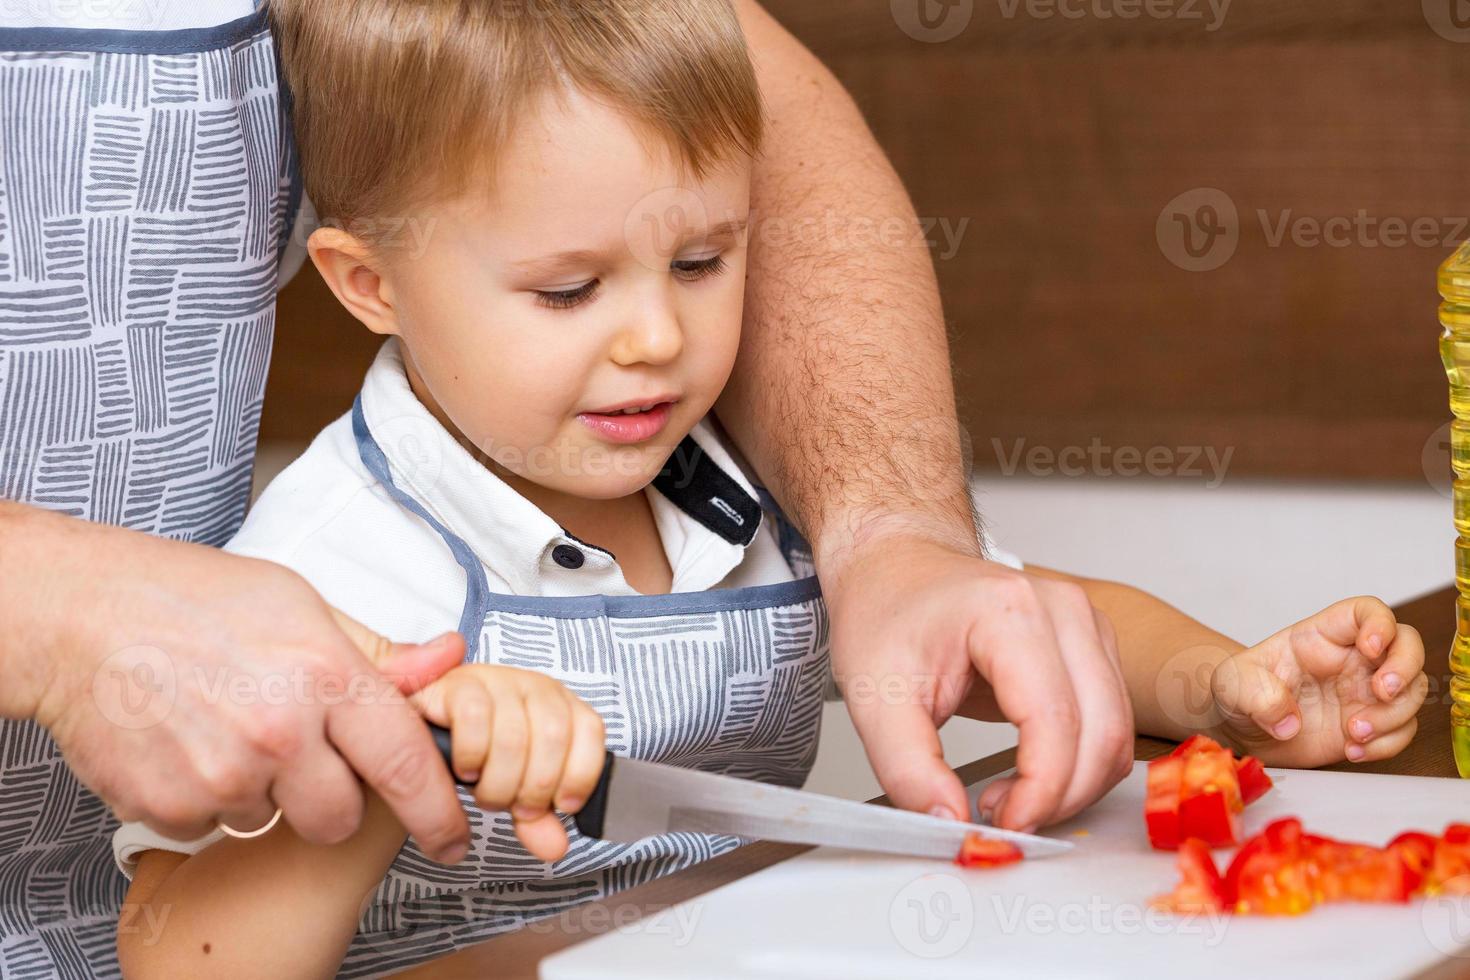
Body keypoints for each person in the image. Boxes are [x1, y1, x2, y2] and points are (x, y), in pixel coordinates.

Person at [112, 2, 1427, 975]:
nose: (656, 341)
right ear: (368, 284)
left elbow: (1010, 617)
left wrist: (1216, 687)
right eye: (569, 290)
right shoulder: (321, 568)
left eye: (702, 260)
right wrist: (381, 754)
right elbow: (179, 954)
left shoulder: (742, 469)